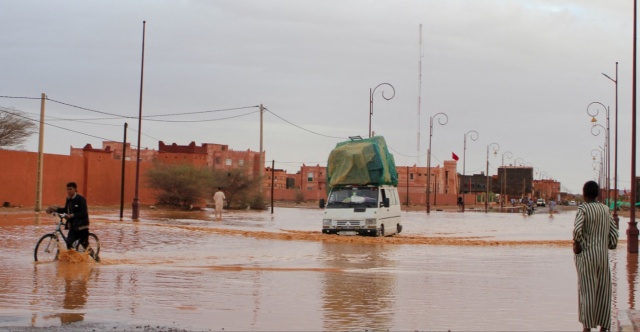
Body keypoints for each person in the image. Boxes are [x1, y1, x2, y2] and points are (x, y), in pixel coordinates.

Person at [573, 181, 618, 332]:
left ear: (584, 194)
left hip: (586, 257)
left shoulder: (583, 209)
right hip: (602, 257)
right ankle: (603, 328)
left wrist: (577, 246)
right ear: (597, 194)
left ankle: (587, 328)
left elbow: (578, 229)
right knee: (604, 292)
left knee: (588, 292)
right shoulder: (605, 210)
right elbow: (614, 235)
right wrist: (609, 245)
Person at [46, 182, 96, 260]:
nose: (68, 191)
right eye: (67, 189)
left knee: (85, 245)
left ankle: (97, 259)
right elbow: (65, 209)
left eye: (70, 189)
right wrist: (55, 209)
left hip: (82, 226)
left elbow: (83, 212)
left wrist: (72, 215)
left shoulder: (81, 199)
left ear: (75, 189)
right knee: (69, 242)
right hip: (73, 226)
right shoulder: (68, 199)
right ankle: (73, 260)